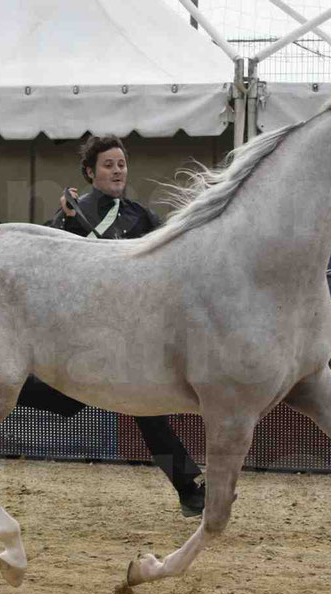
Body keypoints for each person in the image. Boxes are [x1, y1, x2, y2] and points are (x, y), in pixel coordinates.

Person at [18, 134, 205, 517]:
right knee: (110, 403)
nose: (117, 170)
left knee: (125, 404)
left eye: (121, 163)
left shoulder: (141, 215)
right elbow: (50, 263)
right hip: (86, 329)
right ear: (90, 172)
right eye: (108, 164)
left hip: (131, 330)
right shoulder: (74, 211)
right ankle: (190, 490)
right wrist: (67, 222)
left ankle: (190, 490)